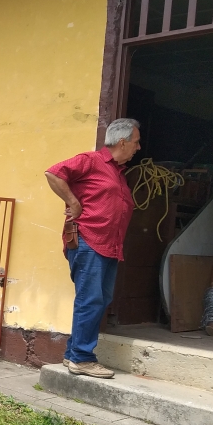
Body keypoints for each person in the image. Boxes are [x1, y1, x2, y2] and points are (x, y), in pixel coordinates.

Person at [44, 118, 141, 378]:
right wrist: (72, 202)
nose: (138, 147)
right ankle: (82, 359)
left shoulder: (118, 173)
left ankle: (72, 353)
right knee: (91, 300)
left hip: (109, 246)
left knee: (99, 300)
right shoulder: (91, 160)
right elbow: (53, 172)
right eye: (136, 142)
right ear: (123, 142)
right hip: (89, 240)